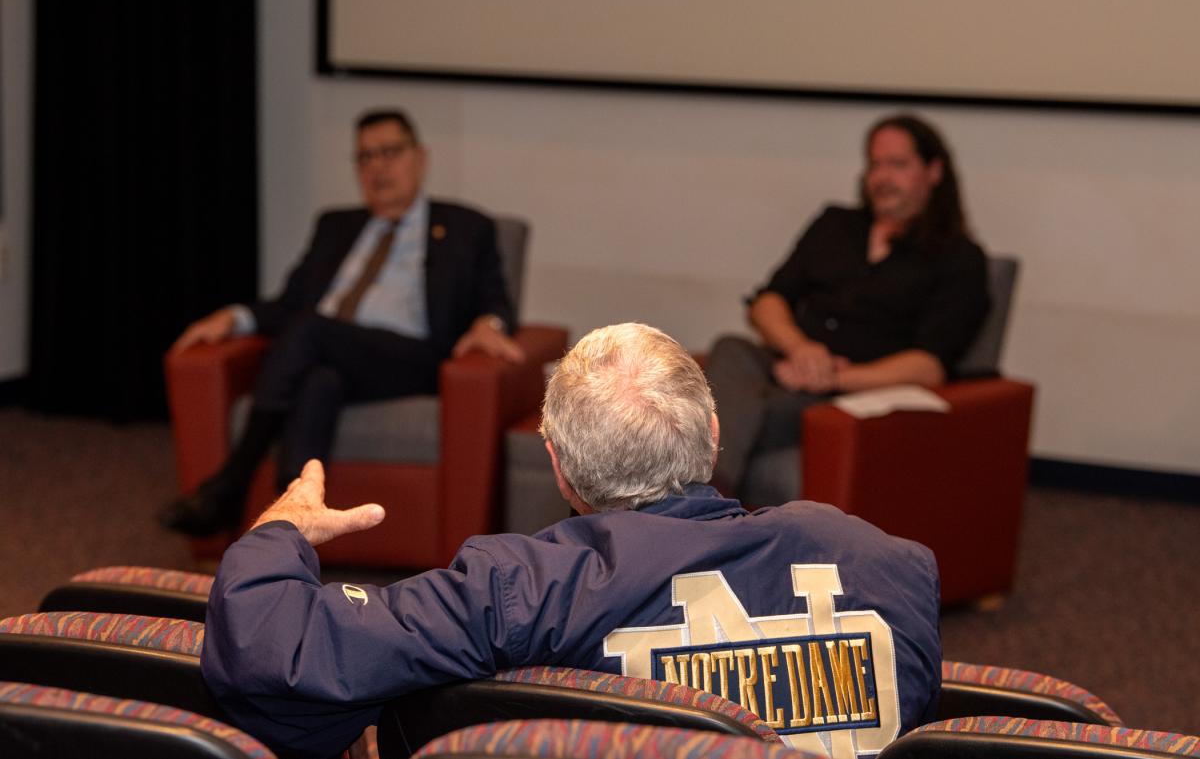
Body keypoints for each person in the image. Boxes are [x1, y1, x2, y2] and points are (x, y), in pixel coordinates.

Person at [202, 322, 942, 759]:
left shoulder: (517, 585)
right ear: (714, 437)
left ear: (556, 464)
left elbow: (273, 649)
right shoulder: (886, 565)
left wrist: (281, 531)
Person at [159, 109, 524, 536]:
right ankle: (288, 532)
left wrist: (489, 325)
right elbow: (289, 304)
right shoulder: (335, 226)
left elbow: (497, 301)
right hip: (327, 353)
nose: (377, 167)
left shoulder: (466, 227)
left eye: (390, 152)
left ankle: (232, 481)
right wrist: (234, 317)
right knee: (318, 382)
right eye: (365, 157)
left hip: (410, 359)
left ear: (420, 158)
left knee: (311, 330)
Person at [707, 114, 990, 501]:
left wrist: (833, 378)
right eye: (874, 164)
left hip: (851, 395)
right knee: (731, 348)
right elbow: (768, 301)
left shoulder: (958, 258)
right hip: (787, 365)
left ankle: (702, 500)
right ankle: (704, 502)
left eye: (898, 164)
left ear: (934, 171)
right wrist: (802, 350)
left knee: (720, 413)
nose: (881, 176)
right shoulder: (835, 224)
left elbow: (929, 366)